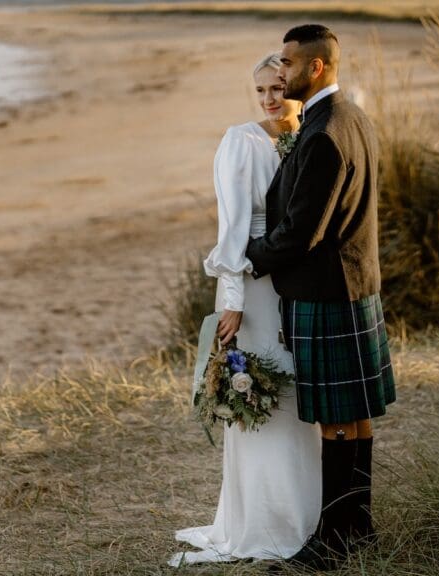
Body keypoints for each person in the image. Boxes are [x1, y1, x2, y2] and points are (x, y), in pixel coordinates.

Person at [246, 24, 396, 572]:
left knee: (335, 418)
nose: (279, 72)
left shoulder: (325, 132)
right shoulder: (351, 117)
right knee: (354, 415)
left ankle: (333, 541)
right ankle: (358, 525)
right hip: (353, 284)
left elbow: (302, 231)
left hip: (327, 290)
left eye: (287, 63)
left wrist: (250, 255)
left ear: (316, 68)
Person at [168, 53, 322, 567]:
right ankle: (261, 521)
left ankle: (307, 516)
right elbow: (231, 226)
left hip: (298, 286)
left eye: (278, 87)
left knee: (298, 394)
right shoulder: (242, 141)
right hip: (251, 288)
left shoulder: (312, 138)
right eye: (260, 91)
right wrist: (231, 300)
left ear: (301, 83)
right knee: (259, 392)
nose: (270, 99)